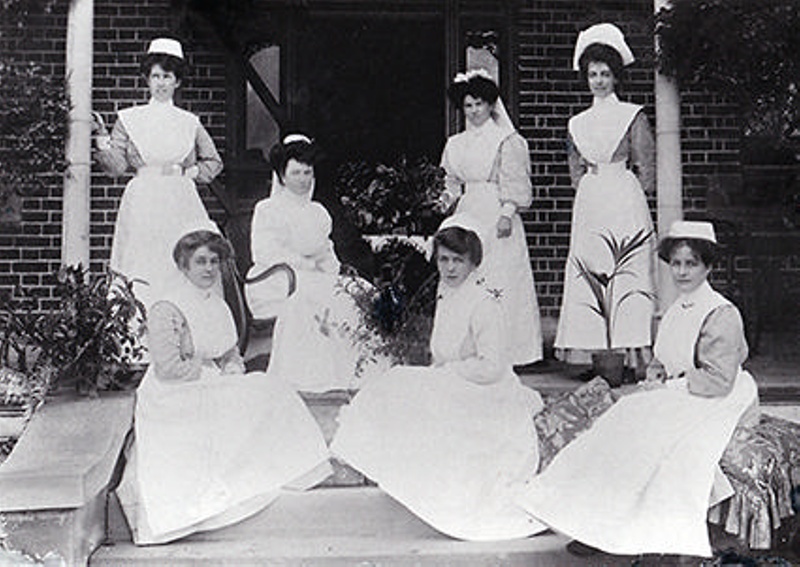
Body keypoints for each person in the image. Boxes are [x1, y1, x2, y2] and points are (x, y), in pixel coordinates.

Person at [517, 220, 760, 558]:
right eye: (676, 263)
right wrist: (656, 378)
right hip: (685, 389)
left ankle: (622, 526)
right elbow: (664, 357)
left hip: (721, 395)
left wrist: (669, 388)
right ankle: (595, 522)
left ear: (708, 265)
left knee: (643, 427)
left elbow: (719, 380)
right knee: (619, 419)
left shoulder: (720, 312)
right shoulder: (677, 309)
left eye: (691, 263)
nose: (682, 272)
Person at [331, 214, 547, 541]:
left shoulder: (485, 304)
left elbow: (492, 367)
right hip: (455, 382)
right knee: (394, 385)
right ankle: (373, 462)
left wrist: (445, 377)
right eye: (444, 259)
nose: (449, 268)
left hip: (486, 390)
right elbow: (440, 353)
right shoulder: (448, 297)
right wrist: (436, 379)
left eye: (458, 260)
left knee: (402, 385)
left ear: (474, 262)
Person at [115, 226, 332, 545]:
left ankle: (274, 470)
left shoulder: (217, 305)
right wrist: (213, 375)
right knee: (259, 394)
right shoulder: (167, 306)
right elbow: (169, 367)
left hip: (210, 383)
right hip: (173, 393)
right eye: (200, 262)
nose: (208, 269)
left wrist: (231, 368)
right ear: (183, 266)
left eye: (214, 262)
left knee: (272, 389)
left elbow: (230, 352)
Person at [246, 134, 387, 392]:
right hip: (275, 278)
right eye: (296, 173)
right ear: (282, 176)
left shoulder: (318, 212)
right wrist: (305, 265)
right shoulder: (267, 209)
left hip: (311, 277)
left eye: (307, 172)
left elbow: (325, 251)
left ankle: (359, 368)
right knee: (312, 295)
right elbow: (265, 252)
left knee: (360, 291)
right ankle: (312, 372)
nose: (302, 179)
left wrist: (339, 276)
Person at [554, 23, 656, 376]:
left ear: (616, 77)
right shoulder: (577, 122)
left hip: (624, 197)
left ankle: (631, 356)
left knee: (626, 270)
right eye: (593, 74)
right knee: (592, 271)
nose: (598, 80)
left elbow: (647, 168)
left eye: (605, 74)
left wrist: (625, 193)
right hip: (591, 201)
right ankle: (597, 355)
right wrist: (592, 191)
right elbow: (575, 170)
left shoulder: (632, 115)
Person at [92, 37, 223, 310]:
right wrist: (102, 138)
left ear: (177, 81)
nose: (161, 83)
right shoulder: (130, 119)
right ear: (147, 79)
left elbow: (213, 161)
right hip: (143, 199)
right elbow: (116, 167)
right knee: (142, 262)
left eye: (168, 76)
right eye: (155, 76)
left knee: (181, 261)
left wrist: (190, 173)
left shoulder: (189, 122)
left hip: (181, 201)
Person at [439, 69, 543, 366]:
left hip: (496, 211)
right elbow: (451, 182)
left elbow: (515, 181)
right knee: (466, 273)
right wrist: (444, 201)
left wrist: (507, 212)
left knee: (499, 276)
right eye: (468, 105)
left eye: (479, 104)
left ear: (490, 106)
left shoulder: (506, 140)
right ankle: (465, 348)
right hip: (467, 211)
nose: (474, 111)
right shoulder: (455, 143)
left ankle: (509, 351)